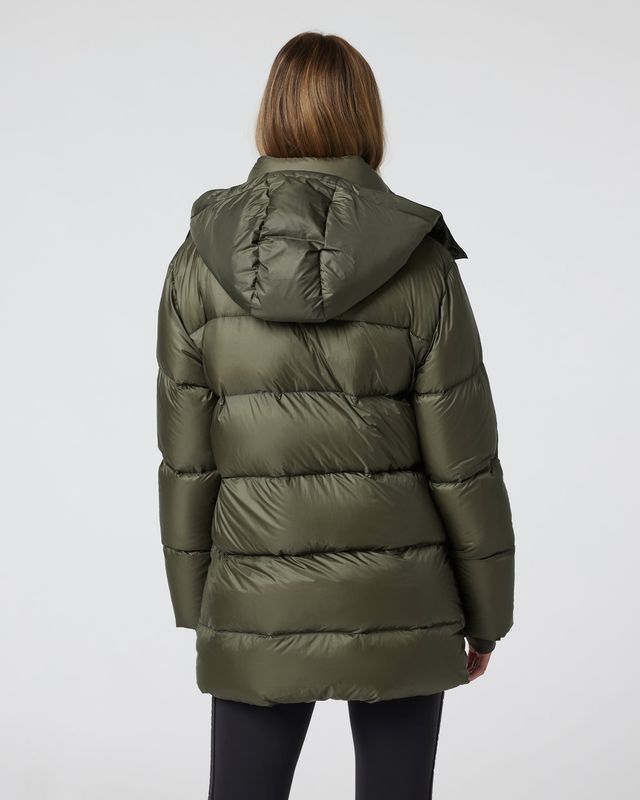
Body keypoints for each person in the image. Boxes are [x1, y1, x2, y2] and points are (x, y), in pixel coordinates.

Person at [155, 31, 515, 800]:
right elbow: (464, 466)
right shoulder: (421, 263)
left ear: (270, 115)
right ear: (366, 118)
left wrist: (202, 609)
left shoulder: (198, 264)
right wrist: (487, 616)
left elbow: (187, 462)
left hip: (253, 600)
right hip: (403, 600)